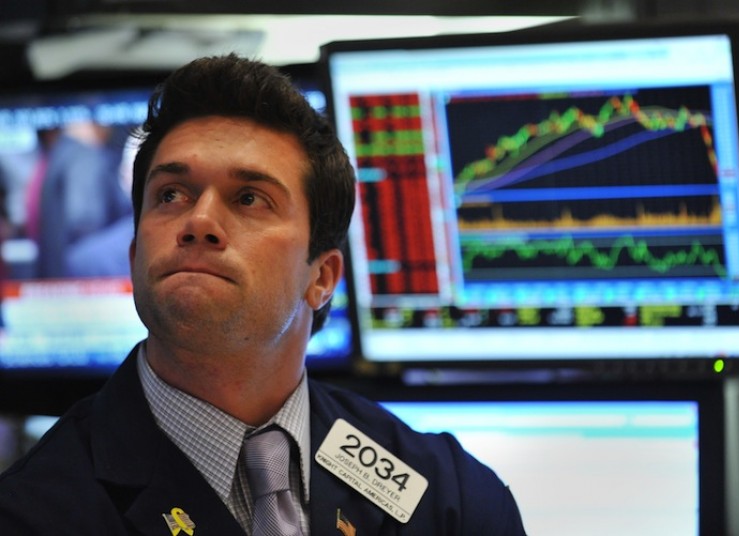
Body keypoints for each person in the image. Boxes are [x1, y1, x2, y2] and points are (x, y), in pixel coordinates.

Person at [0, 54, 527, 535]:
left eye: (250, 198)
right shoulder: (33, 512)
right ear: (135, 252)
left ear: (321, 277)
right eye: (171, 194)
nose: (199, 220)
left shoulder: (450, 500)